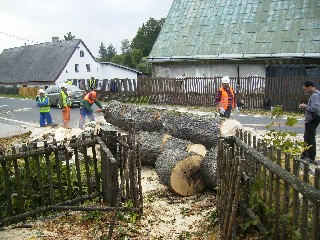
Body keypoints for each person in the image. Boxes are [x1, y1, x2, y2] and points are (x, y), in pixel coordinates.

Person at [299, 80, 320, 162]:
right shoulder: (316, 94)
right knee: (307, 137)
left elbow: (315, 108)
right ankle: (305, 154)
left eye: (305, 89)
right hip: (311, 119)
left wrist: (305, 106)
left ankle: (311, 157)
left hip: (312, 119)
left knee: (310, 138)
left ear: (310, 87)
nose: (305, 91)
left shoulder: (315, 95)